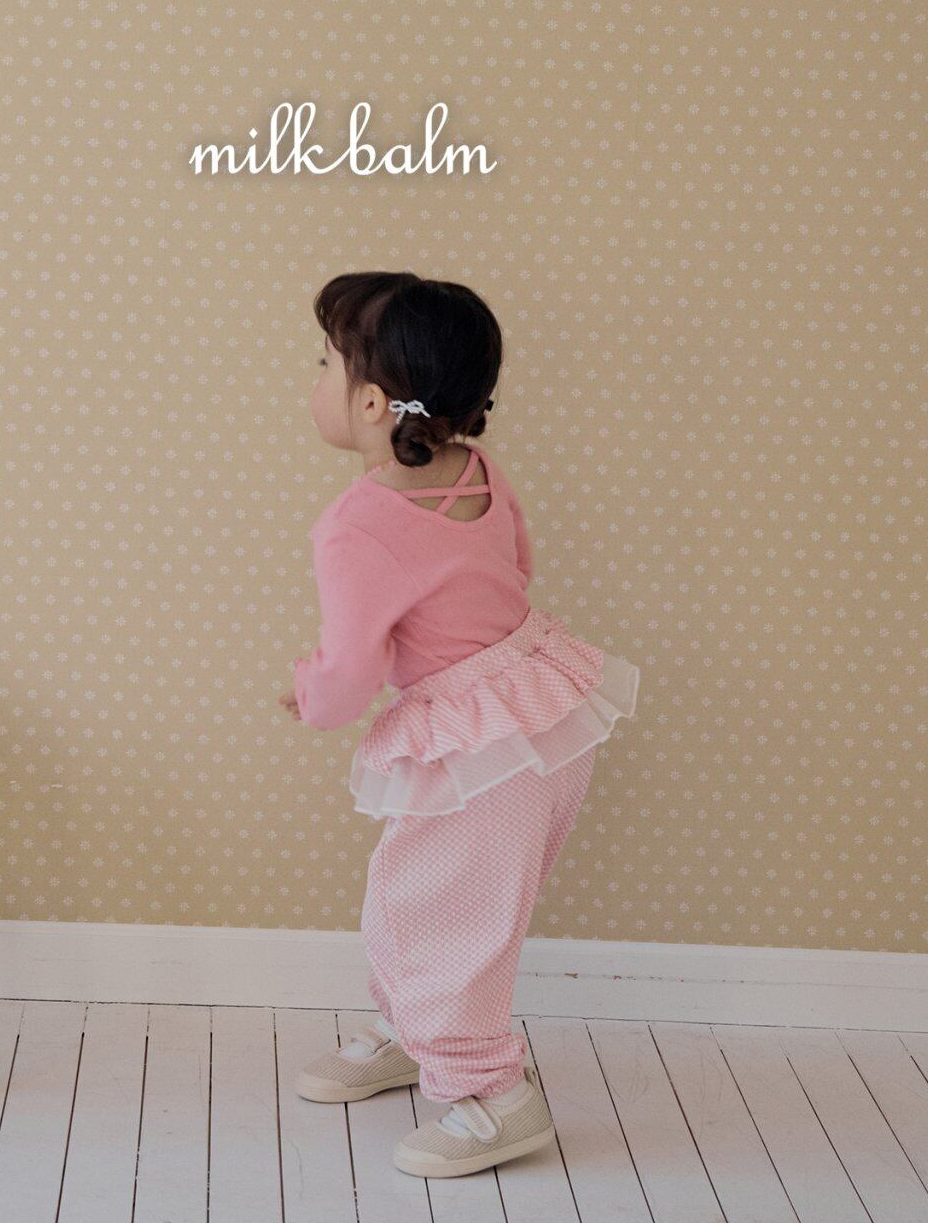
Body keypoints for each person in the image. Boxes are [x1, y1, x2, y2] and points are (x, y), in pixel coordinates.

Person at [278, 271, 640, 1179]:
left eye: (322, 364)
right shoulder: (479, 471)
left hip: (479, 748)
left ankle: (492, 1094)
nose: (314, 380)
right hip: (545, 712)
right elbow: (519, 563)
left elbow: (351, 669)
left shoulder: (357, 524)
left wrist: (311, 694)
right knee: (445, 906)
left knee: (435, 916)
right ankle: (418, 1032)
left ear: (370, 402)